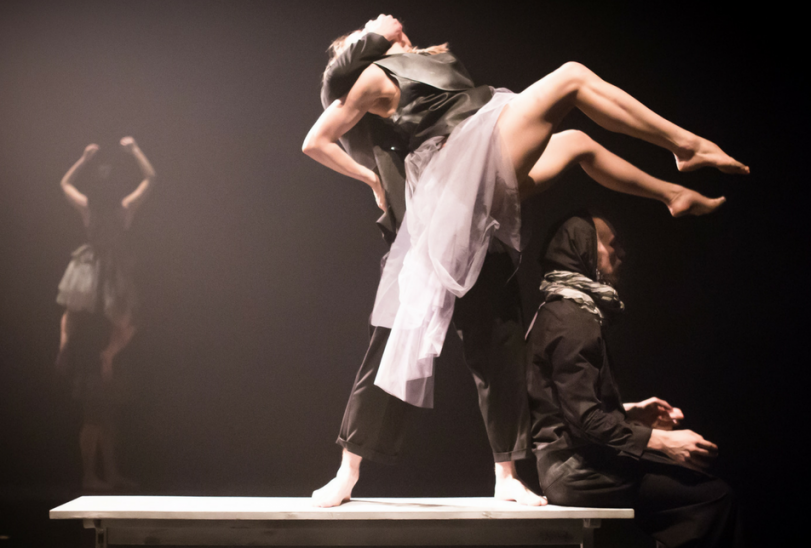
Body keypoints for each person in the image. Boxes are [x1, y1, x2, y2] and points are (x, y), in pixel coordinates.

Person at [302, 14, 746, 507]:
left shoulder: (429, 63)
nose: (398, 24)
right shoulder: (370, 75)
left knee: (500, 338)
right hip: (454, 177)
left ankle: (672, 195)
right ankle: (685, 146)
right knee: (571, 77)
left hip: (480, 175)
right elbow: (315, 141)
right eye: (386, 28)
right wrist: (372, 180)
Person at [528, 213, 741, 547]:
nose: (621, 254)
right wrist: (663, 441)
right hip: (575, 470)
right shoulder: (572, 319)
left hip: (568, 462)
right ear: (584, 248)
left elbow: (566, 406)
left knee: (697, 488)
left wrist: (630, 413)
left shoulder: (561, 310)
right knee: (712, 497)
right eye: (612, 244)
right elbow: (585, 420)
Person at [55, 137, 156, 490]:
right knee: (94, 413)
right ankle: (90, 474)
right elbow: (65, 184)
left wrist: (134, 151)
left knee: (107, 415)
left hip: (109, 300)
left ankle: (109, 472)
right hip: (92, 332)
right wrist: (83, 160)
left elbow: (150, 179)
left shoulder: (123, 208)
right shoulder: (90, 212)